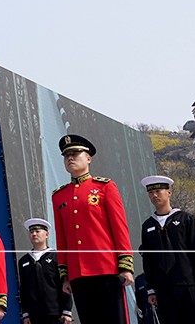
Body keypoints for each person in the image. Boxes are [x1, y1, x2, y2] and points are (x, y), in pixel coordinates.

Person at [50, 134, 133, 324]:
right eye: (66, 155)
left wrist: (125, 265)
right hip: (78, 273)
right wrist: (65, 275)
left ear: (88, 158)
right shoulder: (59, 196)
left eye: (75, 153)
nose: (70, 158)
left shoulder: (105, 187)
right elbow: (62, 238)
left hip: (106, 268)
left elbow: (119, 228)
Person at [136, 175, 195, 324]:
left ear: (169, 192)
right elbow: (148, 259)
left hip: (189, 284)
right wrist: (151, 288)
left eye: (158, 191)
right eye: (151, 193)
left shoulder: (186, 219)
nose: (154, 195)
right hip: (163, 288)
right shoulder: (148, 225)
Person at [16, 218, 72, 324]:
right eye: (31, 232)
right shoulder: (24, 261)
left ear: (46, 234)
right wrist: (25, 313)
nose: (34, 234)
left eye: (38, 231)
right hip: (34, 315)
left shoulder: (57, 257)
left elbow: (64, 284)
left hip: (55, 313)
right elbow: (23, 288)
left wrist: (67, 310)